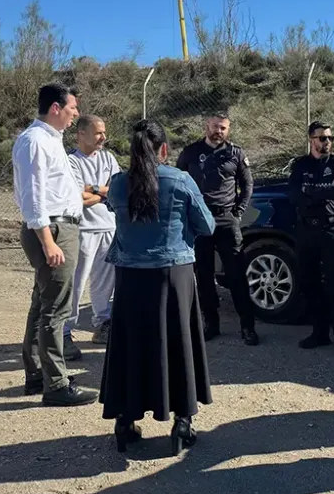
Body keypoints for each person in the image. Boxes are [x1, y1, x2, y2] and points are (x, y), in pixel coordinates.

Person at [99, 120, 216, 455]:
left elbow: (113, 209)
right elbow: (206, 225)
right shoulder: (180, 181)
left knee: (130, 344)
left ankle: (125, 419)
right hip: (172, 274)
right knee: (179, 342)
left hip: (130, 275)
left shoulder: (119, 184)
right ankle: (182, 421)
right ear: (164, 150)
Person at [12, 83, 97, 407]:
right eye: (73, 107)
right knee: (55, 310)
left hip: (59, 227)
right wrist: (48, 241)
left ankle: (39, 374)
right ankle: (56, 385)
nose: (77, 113)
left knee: (43, 304)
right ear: (56, 108)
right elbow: (34, 198)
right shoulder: (35, 141)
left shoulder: (50, 140)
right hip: (54, 230)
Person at [176, 112, 258, 346]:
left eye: (223, 128)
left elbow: (247, 184)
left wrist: (239, 211)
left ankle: (247, 326)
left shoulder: (236, 153)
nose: (218, 131)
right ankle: (211, 324)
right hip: (199, 221)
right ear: (206, 126)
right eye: (215, 127)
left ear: (227, 130)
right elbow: (179, 181)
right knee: (203, 275)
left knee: (236, 275)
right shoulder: (190, 152)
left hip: (226, 220)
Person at [289, 121, 334, 358]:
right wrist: (316, 197)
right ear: (311, 140)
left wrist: (309, 195)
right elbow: (293, 195)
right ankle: (319, 333)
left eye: (329, 138)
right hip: (306, 231)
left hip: (330, 229)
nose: (327, 142)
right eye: (322, 138)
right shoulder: (301, 165)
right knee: (310, 283)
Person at [65, 114, 121, 355]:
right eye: (98, 132)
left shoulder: (108, 158)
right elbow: (76, 196)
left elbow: (118, 189)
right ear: (81, 134)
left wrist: (93, 190)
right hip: (83, 230)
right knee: (76, 283)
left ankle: (102, 325)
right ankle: (65, 331)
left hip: (109, 227)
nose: (103, 137)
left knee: (105, 282)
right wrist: (104, 194)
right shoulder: (71, 161)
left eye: (104, 132)